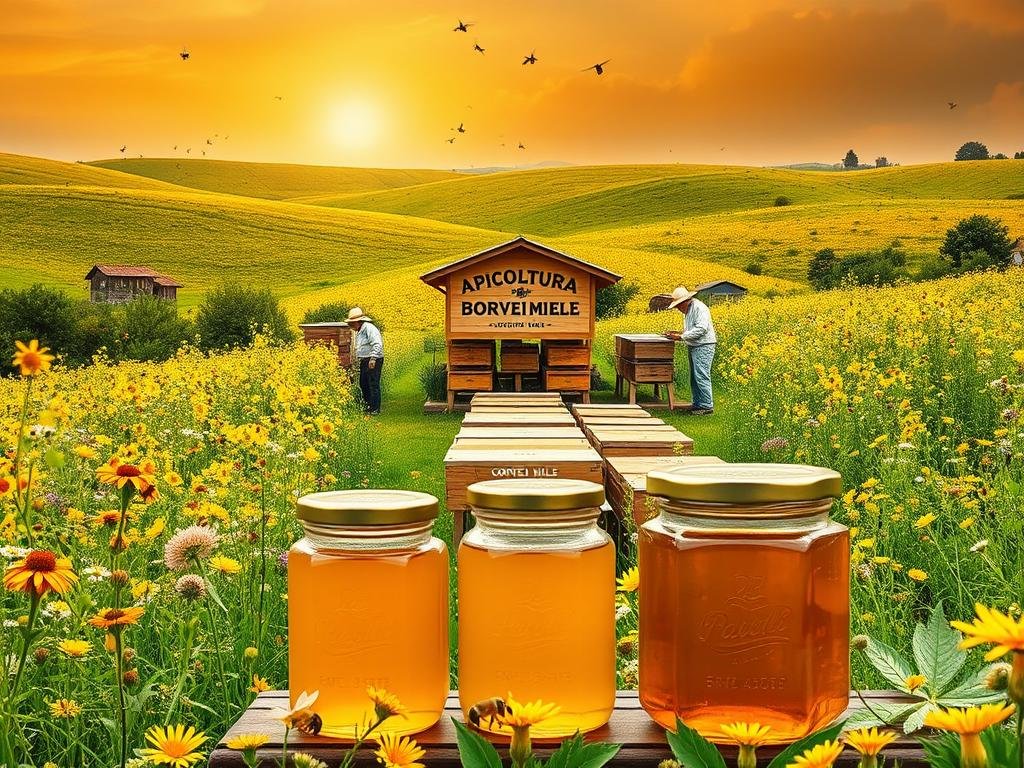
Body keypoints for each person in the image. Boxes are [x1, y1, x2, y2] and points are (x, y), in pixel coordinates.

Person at [663, 286, 716, 415]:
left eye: (679, 306)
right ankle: (697, 403)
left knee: (701, 374)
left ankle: (707, 406)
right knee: (694, 376)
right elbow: (692, 330)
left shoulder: (699, 308)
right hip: (694, 345)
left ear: (685, 301)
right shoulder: (689, 310)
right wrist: (678, 334)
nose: (678, 309)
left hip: (704, 345)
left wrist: (681, 336)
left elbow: (701, 329)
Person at [346, 307, 384, 415]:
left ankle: (375, 409)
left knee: (373, 384)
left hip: (373, 359)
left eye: (352, 323)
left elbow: (377, 343)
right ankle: (369, 406)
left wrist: (373, 359)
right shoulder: (360, 330)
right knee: (364, 383)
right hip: (365, 360)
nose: (351, 326)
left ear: (357, 322)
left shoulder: (368, 328)